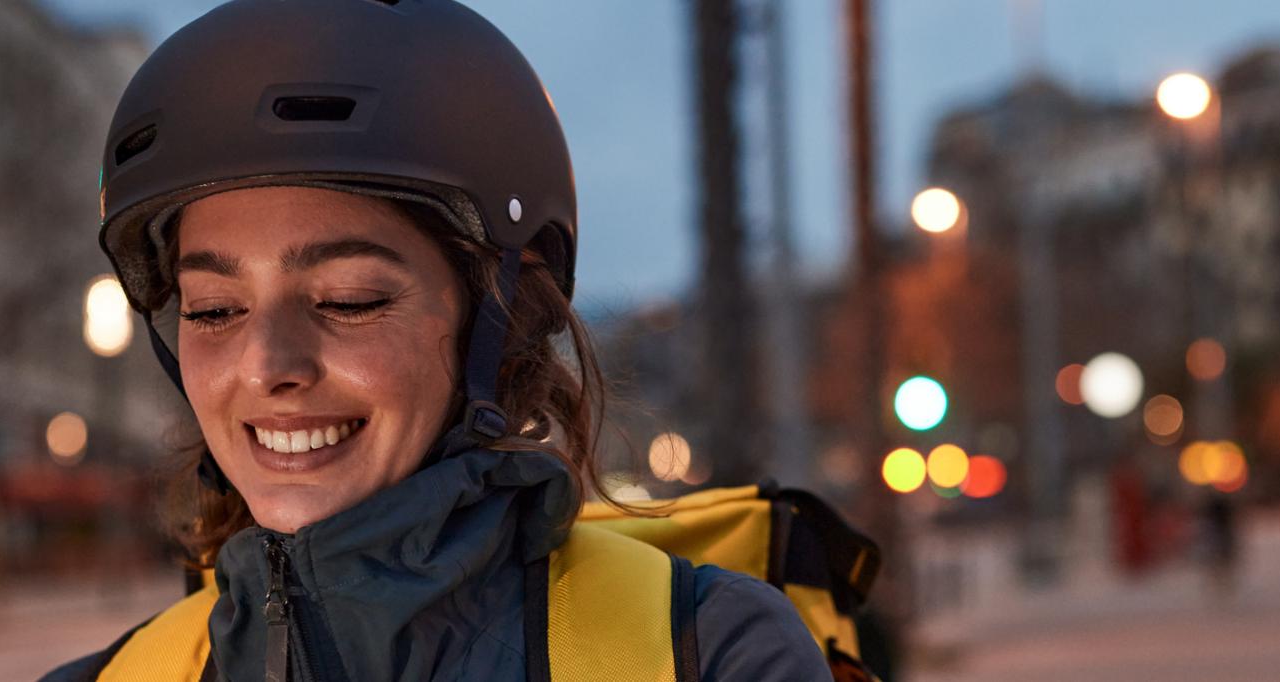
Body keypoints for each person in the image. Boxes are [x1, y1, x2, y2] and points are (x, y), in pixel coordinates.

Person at [42, 1, 829, 679]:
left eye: (348, 300)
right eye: (213, 309)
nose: (266, 365)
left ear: (505, 318)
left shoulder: (711, 653)